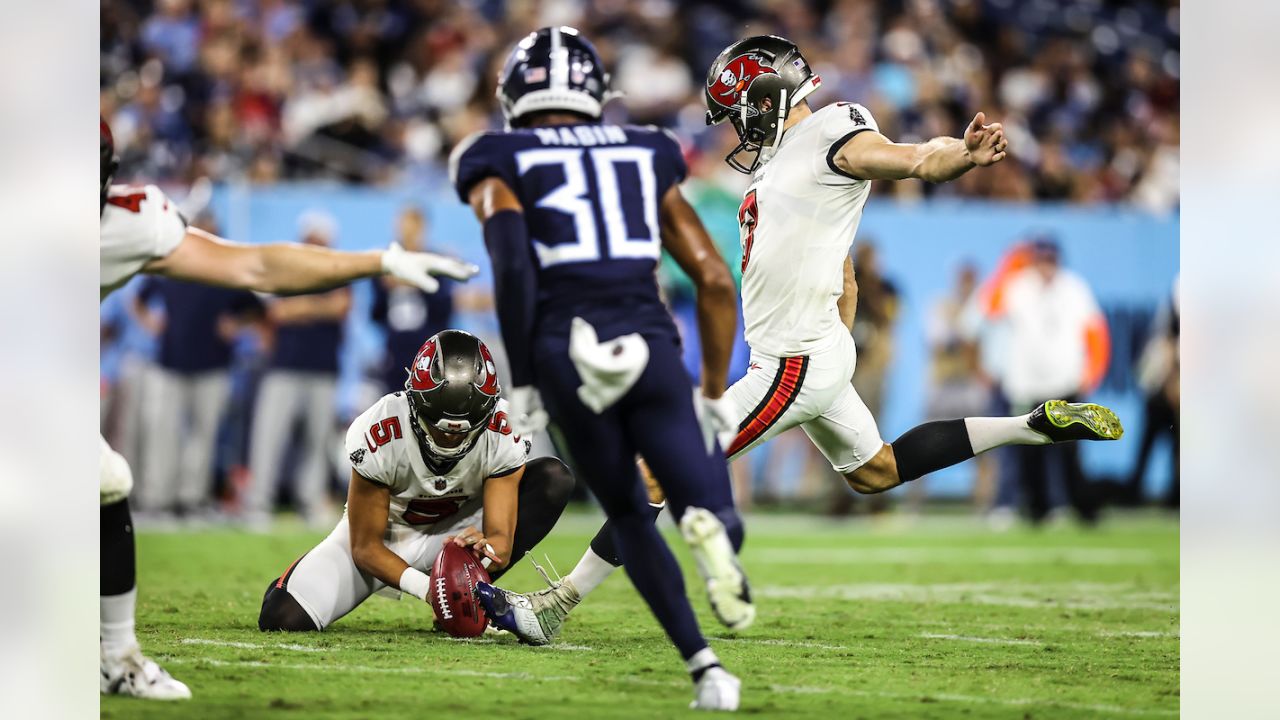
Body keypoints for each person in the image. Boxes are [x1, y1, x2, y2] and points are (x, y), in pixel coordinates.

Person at [487, 34, 1124, 648]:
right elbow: (841, 263)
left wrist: (958, 155)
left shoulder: (831, 132)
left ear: (767, 98)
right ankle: (1033, 425)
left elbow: (910, 157)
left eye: (737, 114)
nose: (735, 130)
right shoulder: (781, 166)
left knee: (658, 473)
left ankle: (555, 606)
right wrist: (835, 337)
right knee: (877, 472)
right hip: (810, 351)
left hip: (792, 360)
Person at [99, 117, 477, 700]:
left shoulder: (123, 222)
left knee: (106, 480)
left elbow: (256, 267)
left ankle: (114, 657)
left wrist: (379, 261)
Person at [451, 27, 749, 711]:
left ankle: (707, 670)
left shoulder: (495, 156)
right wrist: (709, 391)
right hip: (648, 341)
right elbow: (711, 277)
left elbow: (514, 266)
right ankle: (711, 526)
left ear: (516, 93)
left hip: (569, 347)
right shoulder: (647, 149)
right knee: (704, 499)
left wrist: (523, 378)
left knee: (628, 514)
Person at [257, 330, 573, 632]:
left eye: (464, 428)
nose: (451, 438)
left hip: (457, 533)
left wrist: (487, 549)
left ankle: (469, 601)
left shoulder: (504, 428)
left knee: (552, 480)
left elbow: (501, 542)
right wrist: (429, 589)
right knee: (281, 616)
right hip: (386, 536)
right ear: (416, 402)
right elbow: (365, 546)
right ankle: (453, 598)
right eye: (440, 427)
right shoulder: (381, 427)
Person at [242, 211, 352, 530]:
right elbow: (276, 312)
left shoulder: (338, 271)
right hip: (284, 366)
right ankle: (257, 503)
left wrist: (302, 308)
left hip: (322, 367)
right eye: (312, 237)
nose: (316, 243)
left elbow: (341, 307)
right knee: (269, 436)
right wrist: (317, 308)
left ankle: (311, 500)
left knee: (316, 441)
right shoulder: (286, 269)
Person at [1000, 237, 1112, 523]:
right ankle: (1037, 510)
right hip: (1028, 383)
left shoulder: (1074, 288)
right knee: (1030, 451)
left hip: (1066, 381)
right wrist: (1010, 261)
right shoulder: (1018, 285)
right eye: (1042, 260)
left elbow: (1096, 331)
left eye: (1051, 260)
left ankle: (1083, 509)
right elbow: (990, 306)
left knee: (1070, 450)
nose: (1047, 267)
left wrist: (1093, 371)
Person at [133, 274, 262, 520]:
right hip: (170, 363)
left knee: (204, 435)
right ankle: (157, 500)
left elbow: (255, 308)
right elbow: (138, 299)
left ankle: (191, 500)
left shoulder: (223, 268)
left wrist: (236, 323)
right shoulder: (171, 264)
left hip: (213, 365)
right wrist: (150, 322)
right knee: (163, 434)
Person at [370, 207, 456, 393]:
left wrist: (414, 282)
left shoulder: (435, 262)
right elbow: (376, 312)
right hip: (395, 346)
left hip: (427, 346)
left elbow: (444, 308)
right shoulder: (386, 264)